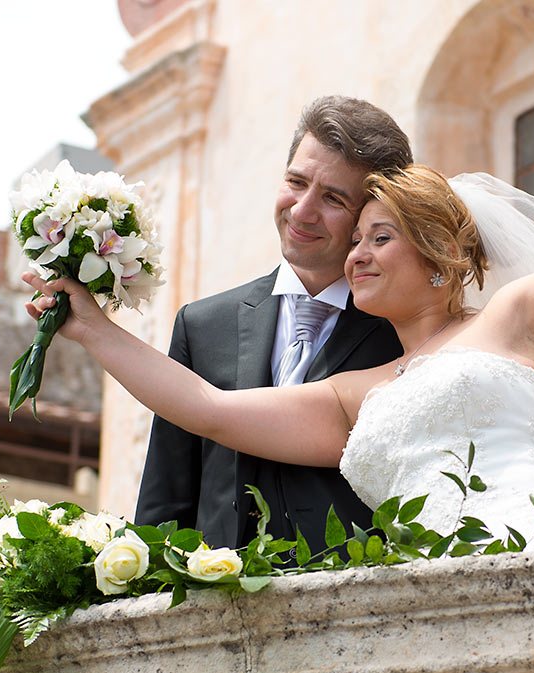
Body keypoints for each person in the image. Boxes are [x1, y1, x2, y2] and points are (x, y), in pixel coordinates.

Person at [24, 23, 534, 543]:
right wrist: (92, 327)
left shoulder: (518, 319)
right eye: (356, 243)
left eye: (377, 237)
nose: (354, 256)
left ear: (441, 255)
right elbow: (208, 409)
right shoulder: (360, 391)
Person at [133, 97, 409, 552]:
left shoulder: (401, 335)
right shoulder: (202, 326)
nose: (302, 211)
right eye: (296, 182)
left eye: (333, 198)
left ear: (369, 214)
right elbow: (164, 508)